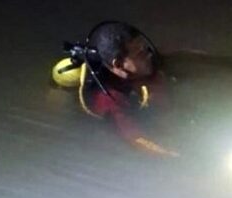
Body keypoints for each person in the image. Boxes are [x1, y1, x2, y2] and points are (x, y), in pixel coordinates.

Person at [69, 21, 178, 156]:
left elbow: (186, 60)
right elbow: (136, 139)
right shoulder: (109, 100)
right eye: (140, 53)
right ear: (119, 64)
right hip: (143, 122)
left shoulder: (146, 62)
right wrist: (174, 156)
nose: (149, 54)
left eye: (145, 48)